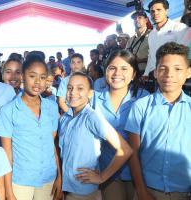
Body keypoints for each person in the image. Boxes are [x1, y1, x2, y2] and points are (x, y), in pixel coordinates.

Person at [126, 42, 191, 200]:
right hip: (148, 190)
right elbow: (133, 153)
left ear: (188, 72)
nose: (169, 74)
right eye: (163, 68)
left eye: (177, 69)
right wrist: (141, 191)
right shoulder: (140, 107)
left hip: (184, 191)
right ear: (155, 72)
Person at [0, 54, 62, 200]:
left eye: (43, 77)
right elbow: (7, 155)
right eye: (32, 76)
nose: (38, 82)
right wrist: (8, 191)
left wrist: (59, 176)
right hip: (21, 181)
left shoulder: (52, 107)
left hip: (48, 177)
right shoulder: (7, 111)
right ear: (23, 77)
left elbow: (52, 145)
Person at [59, 72, 132, 200]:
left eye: (80, 88)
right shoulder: (65, 118)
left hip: (83, 191)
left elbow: (125, 150)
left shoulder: (92, 117)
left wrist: (101, 177)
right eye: (69, 88)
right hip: (66, 187)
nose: (73, 92)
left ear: (90, 93)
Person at [91, 50, 149, 200]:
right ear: (105, 71)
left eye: (124, 69)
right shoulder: (94, 99)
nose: (117, 73)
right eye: (112, 68)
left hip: (139, 173)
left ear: (134, 74)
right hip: (107, 172)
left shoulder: (144, 98)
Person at [144, 0, 187, 77]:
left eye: (159, 10)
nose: (155, 13)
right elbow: (150, 56)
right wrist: (146, 73)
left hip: (172, 75)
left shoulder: (179, 28)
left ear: (166, 11)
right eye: (152, 11)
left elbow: (185, 53)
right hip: (155, 75)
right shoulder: (151, 34)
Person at [126, 11, 151, 75]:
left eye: (139, 17)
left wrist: (141, 60)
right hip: (133, 73)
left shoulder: (153, 35)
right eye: (134, 19)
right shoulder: (131, 39)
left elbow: (158, 55)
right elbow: (126, 56)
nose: (136, 20)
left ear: (146, 20)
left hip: (148, 72)